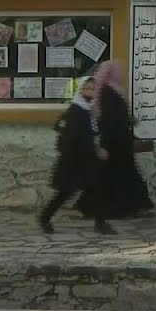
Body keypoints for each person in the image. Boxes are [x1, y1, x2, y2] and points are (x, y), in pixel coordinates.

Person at [79, 61, 155, 220]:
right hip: (115, 142)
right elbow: (111, 120)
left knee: (113, 175)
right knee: (118, 176)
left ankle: (96, 207)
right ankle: (121, 208)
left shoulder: (111, 92)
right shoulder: (109, 93)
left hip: (116, 142)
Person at [39, 77, 116, 235]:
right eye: (87, 89)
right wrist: (96, 149)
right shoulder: (77, 111)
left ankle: (100, 223)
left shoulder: (86, 109)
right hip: (75, 161)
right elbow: (78, 136)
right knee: (66, 192)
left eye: (93, 89)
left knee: (96, 190)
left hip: (85, 160)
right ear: (80, 91)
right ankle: (45, 218)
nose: (90, 92)